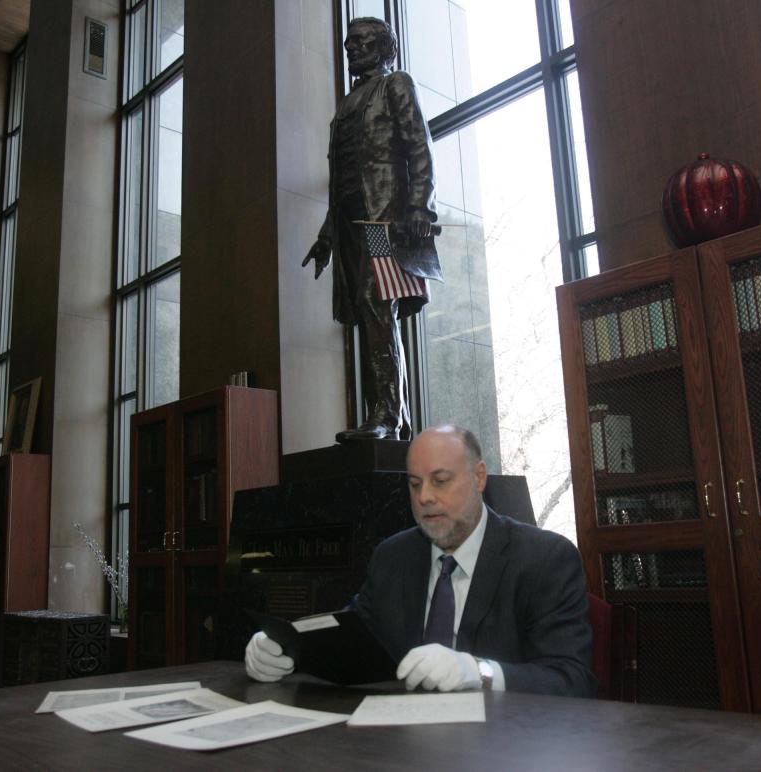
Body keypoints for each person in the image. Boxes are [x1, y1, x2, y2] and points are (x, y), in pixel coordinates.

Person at [245, 425, 597, 697]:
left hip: (504, 748)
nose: (425, 497)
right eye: (414, 484)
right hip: (400, 746)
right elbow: (353, 638)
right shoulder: (393, 556)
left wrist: (478, 672)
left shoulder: (545, 558)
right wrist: (285, 649)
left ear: (478, 477)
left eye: (440, 481)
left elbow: (571, 679)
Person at [302, 17, 441, 442]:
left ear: (384, 47)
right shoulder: (346, 104)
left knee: (376, 302)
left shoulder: (395, 84)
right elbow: (341, 178)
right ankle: (389, 417)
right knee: (366, 313)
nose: (353, 49)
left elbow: (419, 144)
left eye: (362, 42)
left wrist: (421, 206)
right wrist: (327, 234)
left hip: (385, 219)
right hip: (349, 226)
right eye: (348, 44)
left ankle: (387, 417)